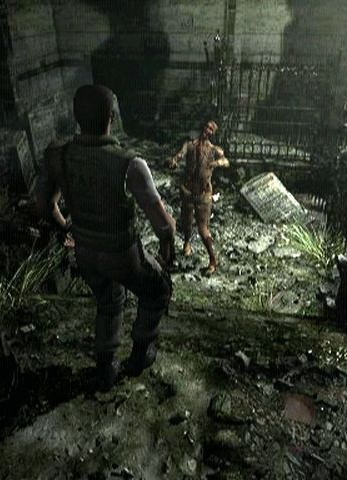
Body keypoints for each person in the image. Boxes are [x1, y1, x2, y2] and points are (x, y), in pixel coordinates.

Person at [37, 84, 176, 392]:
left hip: (85, 251)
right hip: (121, 252)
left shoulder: (58, 156)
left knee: (108, 302)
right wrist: (168, 247)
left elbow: (45, 206)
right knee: (158, 290)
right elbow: (163, 226)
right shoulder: (129, 163)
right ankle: (139, 355)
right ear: (112, 116)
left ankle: (105, 370)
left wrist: (67, 228)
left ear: (76, 117)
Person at [168, 120, 230, 275]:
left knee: (203, 229)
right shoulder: (189, 145)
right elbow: (179, 156)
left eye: (211, 129)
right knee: (187, 220)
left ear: (213, 133)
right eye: (207, 127)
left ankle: (213, 260)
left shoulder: (214, 150)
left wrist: (217, 163)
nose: (208, 130)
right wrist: (173, 162)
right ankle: (187, 243)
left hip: (203, 194)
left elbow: (226, 161)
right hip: (188, 191)